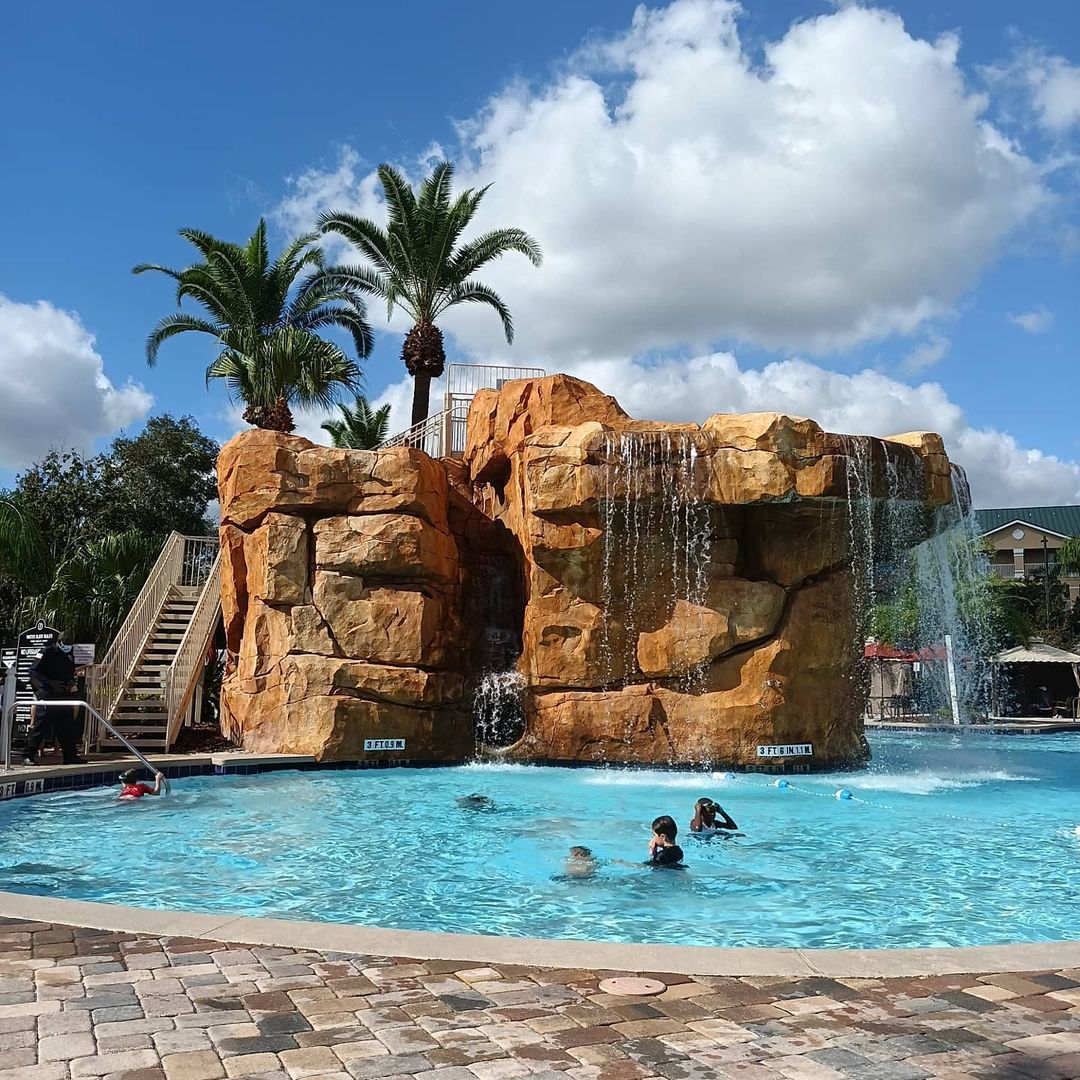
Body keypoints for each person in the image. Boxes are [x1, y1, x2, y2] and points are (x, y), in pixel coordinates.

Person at [23, 633, 84, 765]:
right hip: (48, 695)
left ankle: (70, 756)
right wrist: (50, 683)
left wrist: (70, 682)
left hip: (64, 695)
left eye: (70, 644)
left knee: (67, 727)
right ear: (59, 641)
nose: (68, 647)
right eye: (66, 644)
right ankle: (28, 756)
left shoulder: (69, 654)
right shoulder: (46, 652)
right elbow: (33, 672)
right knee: (40, 727)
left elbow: (69, 671)